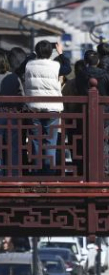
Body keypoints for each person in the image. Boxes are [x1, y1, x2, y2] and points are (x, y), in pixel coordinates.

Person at [24, 40, 72, 175]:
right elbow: (68, 68)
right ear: (51, 52)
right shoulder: (56, 66)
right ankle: (49, 174)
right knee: (51, 141)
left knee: (36, 142)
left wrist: (34, 53)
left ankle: (37, 174)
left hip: (34, 108)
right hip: (52, 108)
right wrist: (61, 53)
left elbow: (22, 66)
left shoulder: (29, 65)